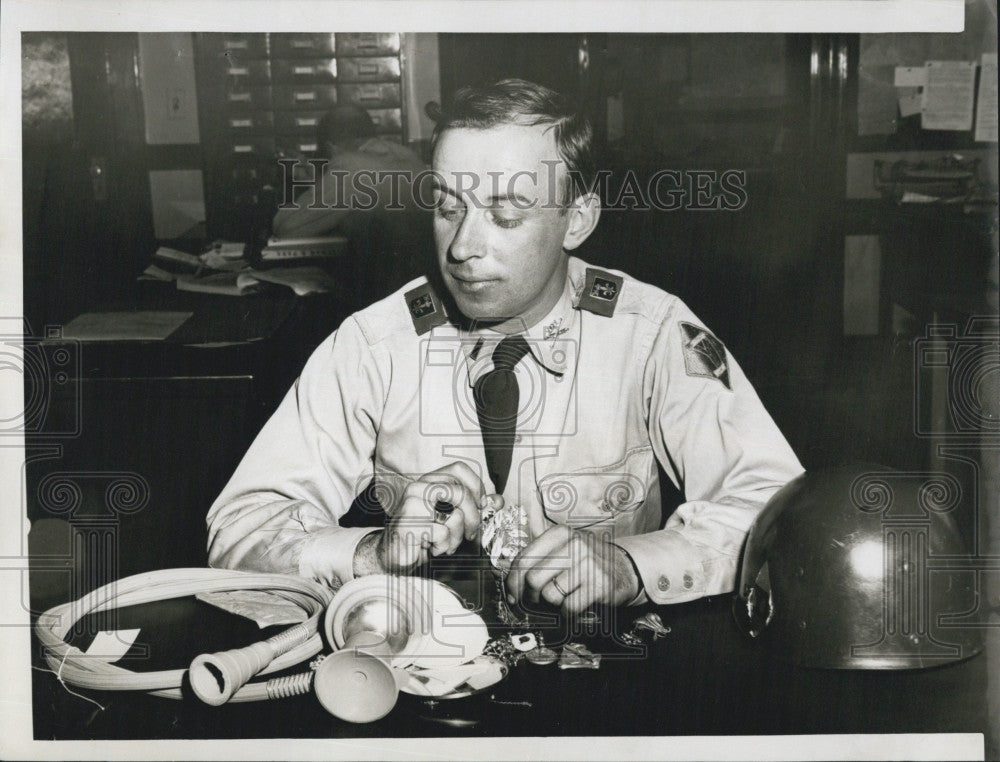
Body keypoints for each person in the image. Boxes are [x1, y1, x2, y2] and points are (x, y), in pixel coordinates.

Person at [207, 79, 804, 614]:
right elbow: (238, 529)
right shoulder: (374, 344)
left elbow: (779, 512)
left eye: (506, 215)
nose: (463, 246)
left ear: (577, 219)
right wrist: (372, 555)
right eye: (447, 207)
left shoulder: (652, 336)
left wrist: (632, 566)